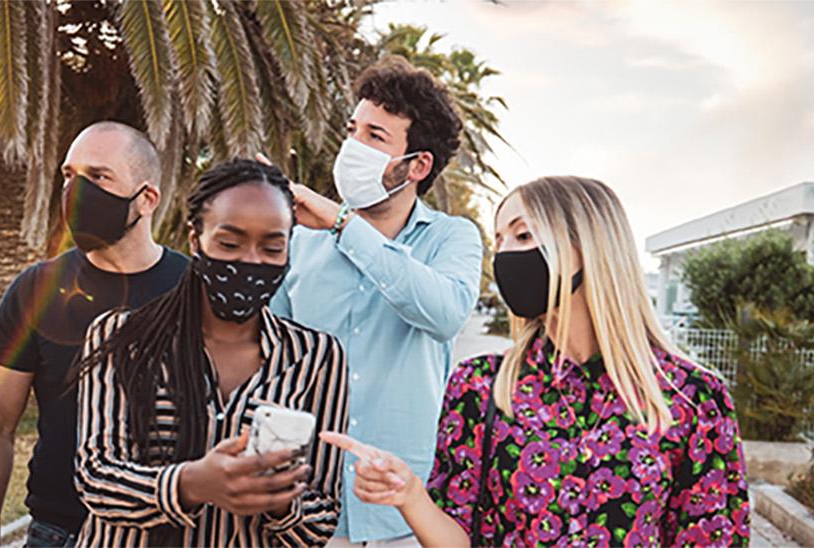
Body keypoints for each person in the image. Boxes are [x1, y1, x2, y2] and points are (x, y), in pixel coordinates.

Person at [322, 176, 753, 547]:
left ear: (588, 248)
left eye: (523, 236)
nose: (505, 255)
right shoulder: (480, 384)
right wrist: (411, 495)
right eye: (500, 241)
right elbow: (459, 538)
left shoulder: (691, 397)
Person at [74, 159, 348, 546]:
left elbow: (321, 520)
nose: (251, 261)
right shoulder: (121, 338)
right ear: (194, 239)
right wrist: (190, 484)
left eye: (272, 247)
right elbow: (96, 478)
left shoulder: (316, 358)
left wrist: (279, 502)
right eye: (230, 243)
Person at [267, 56, 484, 546]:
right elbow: (270, 361)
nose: (353, 146)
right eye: (352, 130)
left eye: (375, 137)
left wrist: (346, 226)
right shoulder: (301, 243)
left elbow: (446, 312)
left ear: (417, 165)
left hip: (402, 518)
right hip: (304, 514)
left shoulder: (453, 239)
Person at [0, 122, 190, 547]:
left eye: (98, 177)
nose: (77, 191)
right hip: (60, 534)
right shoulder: (35, 291)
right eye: (69, 176)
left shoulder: (194, 291)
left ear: (147, 198)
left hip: (169, 534)